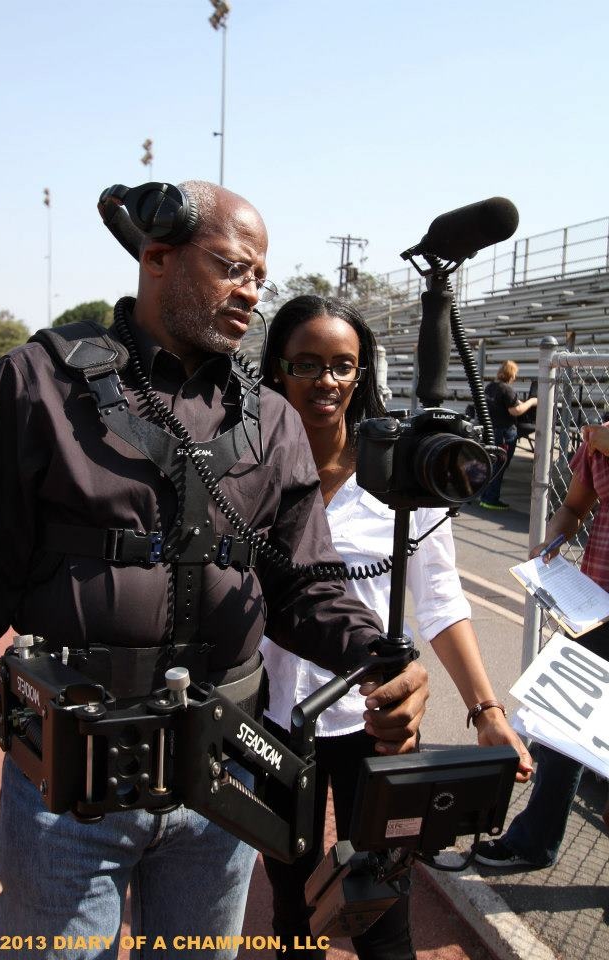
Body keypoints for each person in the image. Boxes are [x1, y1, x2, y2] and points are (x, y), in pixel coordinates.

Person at [0, 182, 429, 958]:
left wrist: (373, 657)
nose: (253, 291)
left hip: (224, 785)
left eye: (261, 275)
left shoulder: (273, 419)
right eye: (233, 267)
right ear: (157, 256)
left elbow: (304, 585)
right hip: (67, 790)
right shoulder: (36, 385)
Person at [258, 295, 533, 960]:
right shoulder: (248, 470)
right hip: (270, 718)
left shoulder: (404, 480)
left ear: (362, 376)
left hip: (378, 720)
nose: (325, 379)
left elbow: (441, 598)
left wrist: (487, 710)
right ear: (277, 371)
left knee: (383, 905)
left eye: (342, 365)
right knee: (290, 893)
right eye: (307, 363)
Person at [475, 420, 609, 869]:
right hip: (595, 609)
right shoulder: (598, 441)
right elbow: (573, 507)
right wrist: (555, 538)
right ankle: (534, 841)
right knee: (561, 730)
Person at [479, 360, 537, 511]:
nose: (516, 377)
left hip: (490, 429)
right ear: (511, 374)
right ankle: (491, 499)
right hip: (504, 432)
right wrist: (531, 402)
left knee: (490, 463)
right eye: (515, 374)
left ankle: (484, 496)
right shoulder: (507, 390)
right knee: (500, 465)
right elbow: (515, 411)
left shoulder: (491, 387)